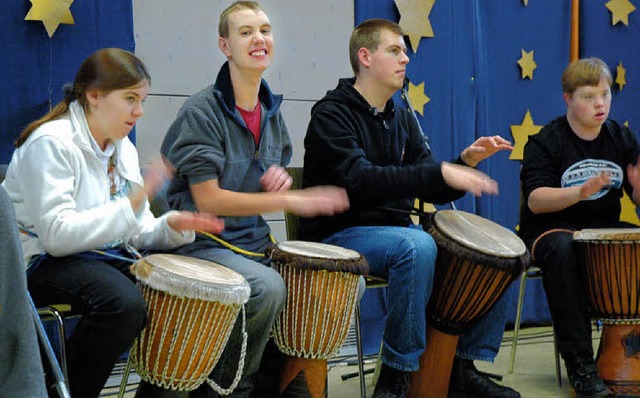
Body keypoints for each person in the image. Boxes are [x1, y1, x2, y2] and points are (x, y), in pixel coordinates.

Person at [301, 18, 520, 398]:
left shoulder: (402, 117)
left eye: (404, 51)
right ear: (365, 57)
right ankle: (397, 375)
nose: (405, 59)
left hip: (396, 232)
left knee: (496, 254)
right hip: (340, 232)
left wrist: (464, 162)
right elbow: (362, 181)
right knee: (417, 247)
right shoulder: (331, 114)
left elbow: (427, 181)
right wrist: (441, 171)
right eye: (394, 51)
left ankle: (461, 368)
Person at [1, 48, 224, 398]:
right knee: (123, 302)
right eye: (131, 99)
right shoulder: (51, 143)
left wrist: (171, 226)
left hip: (94, 258)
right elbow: (57, 236)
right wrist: (135, 200)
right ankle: (62, 391)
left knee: (189, 292)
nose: (139, 111)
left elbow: (133, 230)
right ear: (94, 96)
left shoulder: (124, 149)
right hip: (36, 260)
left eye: (142, 100)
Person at [158, 2, 349, 397]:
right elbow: (208, 199)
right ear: (225, 46)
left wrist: (275, 182)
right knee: (268, 288)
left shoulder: (272, 111)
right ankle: (229, 388)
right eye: (245, 32)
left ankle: (285, 380)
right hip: (203, 244)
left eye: (264, 29)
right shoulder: (201, 112)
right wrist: (292, 202)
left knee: (333, 284)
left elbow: (266, 172)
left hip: (252, 243)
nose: (259, 38)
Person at [520, 57, 640, 398]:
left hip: (602, 229)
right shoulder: (547, 141)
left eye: (605, 94)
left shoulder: (621, 137)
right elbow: (536, 200)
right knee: (564, 249)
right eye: (589, 96)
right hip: (551, 230)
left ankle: (629, 351)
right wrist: (580, 192)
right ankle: (581, 365)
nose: (600, 103)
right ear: (568, 99)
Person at [0, 184, 48, 397]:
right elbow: (59, 236)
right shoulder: (41, 152)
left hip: (106, 251)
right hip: (47, 258)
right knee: (120, 303)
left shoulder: (124, 157)